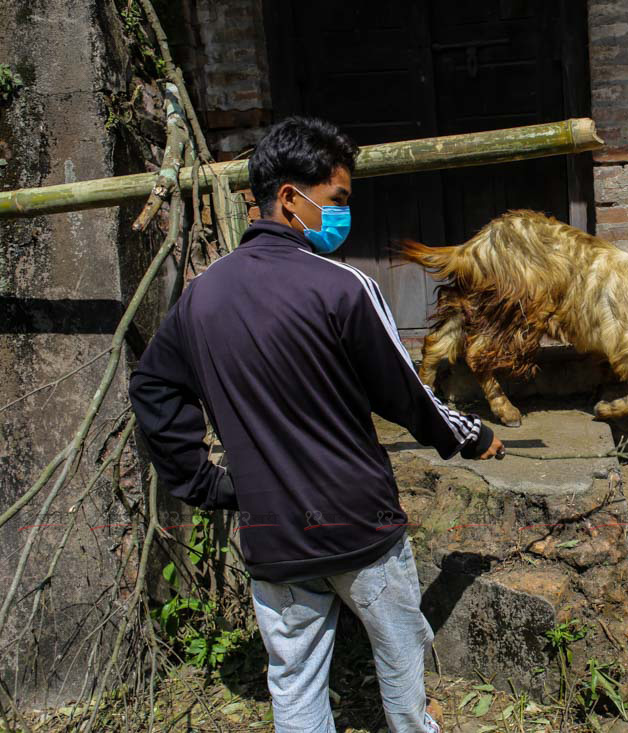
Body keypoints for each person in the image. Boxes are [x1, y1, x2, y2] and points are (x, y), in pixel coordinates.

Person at [128, 115, 503, 733]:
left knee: (296, 681)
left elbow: (151, 386)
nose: (343, 213)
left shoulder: (201, 297)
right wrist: (470, 434)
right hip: (360, 522)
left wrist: (205, 483)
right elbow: (407, 396)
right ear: (288, 198)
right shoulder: (344, 287)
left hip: (272, 529)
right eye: (336, 200)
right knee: (403, 655)